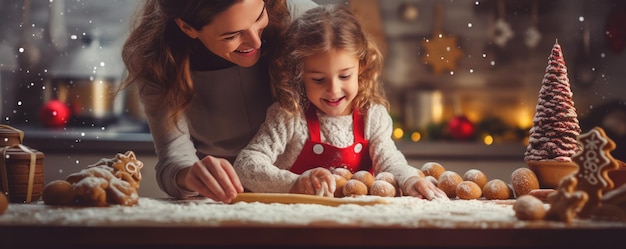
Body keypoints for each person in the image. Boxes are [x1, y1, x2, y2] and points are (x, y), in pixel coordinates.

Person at [233, 4, 448, 200]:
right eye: (318, 79)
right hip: (300, 225)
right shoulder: (289, 115)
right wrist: (296, 183)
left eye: (344, 76)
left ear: (361, 66)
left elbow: (389, 162)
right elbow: (246, 166)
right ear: (299, 73)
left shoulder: (372, 115)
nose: (333, 90)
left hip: (358, 227)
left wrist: (410, 179)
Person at [120, 0, 318, 203]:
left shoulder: (303, 19)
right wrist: (189, 175)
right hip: (222, 200)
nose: (256, 42)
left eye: (259, 16)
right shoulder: (155, 59)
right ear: (187, 27)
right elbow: (172, 154)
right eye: (231, 35)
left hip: (305, 188)